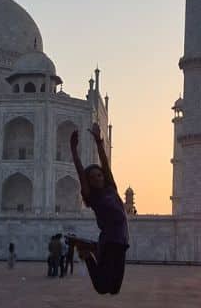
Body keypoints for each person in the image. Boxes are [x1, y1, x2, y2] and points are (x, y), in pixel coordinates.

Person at [66, 123, 129, 295]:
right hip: (110, 242)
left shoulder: (111, 187)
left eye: (99, 175)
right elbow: (80, 173)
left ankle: (92, 247)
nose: (98, 178)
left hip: (120, 241)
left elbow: (105, 164)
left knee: (114, 289)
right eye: (92, 177)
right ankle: (87, 253)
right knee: (102, 288)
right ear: (89, 181)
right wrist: (73, 150)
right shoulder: (93, 197)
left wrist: (99, 141)